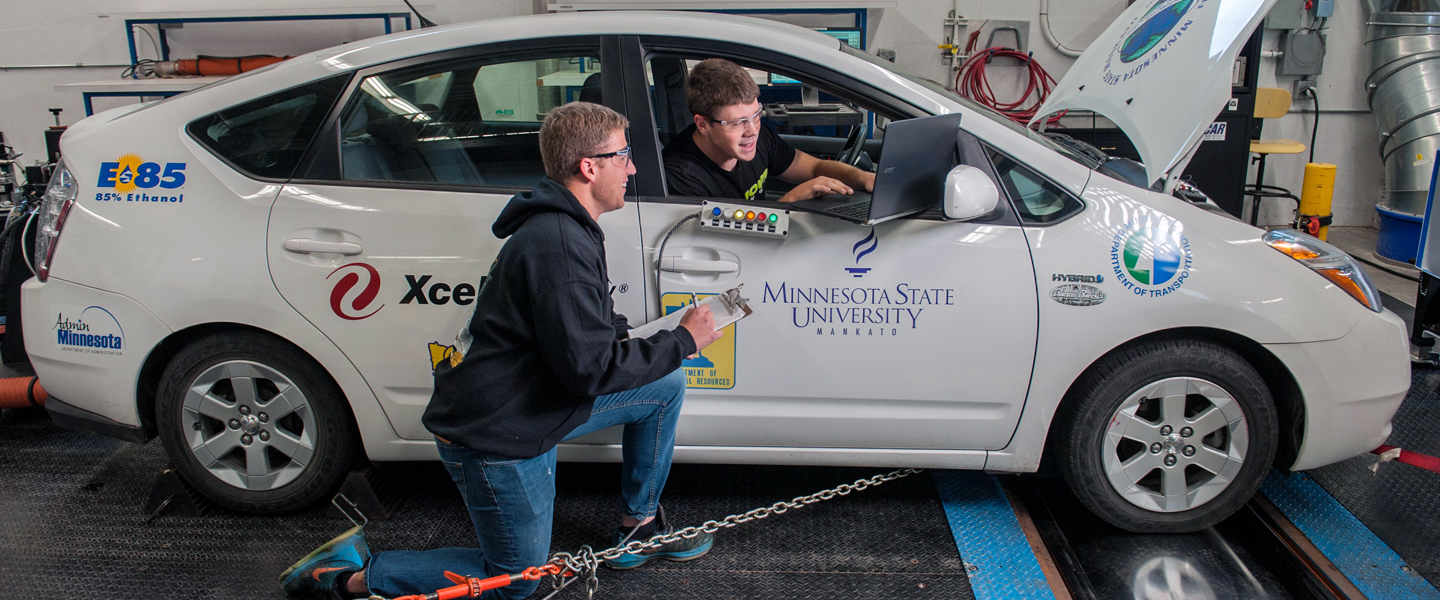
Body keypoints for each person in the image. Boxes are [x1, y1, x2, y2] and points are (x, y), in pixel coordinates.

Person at [279, 101, 725, 600]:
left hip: (532, 400)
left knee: (662, 385)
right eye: (624, 156)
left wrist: (646, 341)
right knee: (515, 580)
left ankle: (637, 528)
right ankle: (345, 576)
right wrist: (683, 340)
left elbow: (587, 327)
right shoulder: (558, 243)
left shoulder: (569, 228)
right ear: (589, 166)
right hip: (499, 434)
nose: (633, 167)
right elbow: (590, 373)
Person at [663, 58, 876, 203]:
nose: (752, 130)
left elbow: (814, 168)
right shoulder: (681, 177)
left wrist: (864, 178)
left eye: (756, 115)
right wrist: (791, 199)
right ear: (703, 124)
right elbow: (726, 250)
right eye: (738, 122)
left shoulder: (757, 137)